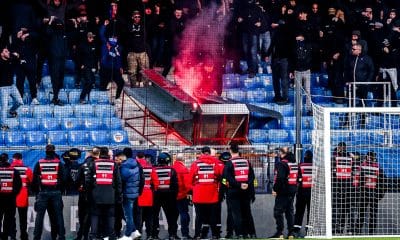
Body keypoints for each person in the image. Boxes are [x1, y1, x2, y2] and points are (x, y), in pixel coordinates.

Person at [32, 144, 66, 240]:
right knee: (58, 216)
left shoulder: (39, 163)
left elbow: (34, 180)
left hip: (43, 193)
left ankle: (36, 237)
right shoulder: (59, 163)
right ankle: (61, 236)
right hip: (56, 192)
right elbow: (64, 179)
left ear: (45, 151)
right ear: (54, 151)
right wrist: (60, 189)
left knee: (39, 217)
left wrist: (37, 193)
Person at [189, 146, 224, 239]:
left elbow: (189, 180)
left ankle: (197, 235)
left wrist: (194, 188)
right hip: (212, 195)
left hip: (198, 195)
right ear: (209, 153)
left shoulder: (195, 164)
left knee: (199, 217)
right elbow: (222, 177)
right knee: (213, 216)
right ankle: (215, 235)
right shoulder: (217, 163)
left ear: (201, 153)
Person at [88, 147, 122, 240]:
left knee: (95, 216)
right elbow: (118, 181)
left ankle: (93, 236)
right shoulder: (113, 164)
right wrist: (119, 196)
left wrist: (89, 193)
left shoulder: (94, 163)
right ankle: (111, 236)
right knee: (110, 216)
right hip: (110, 196)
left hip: (96, 195)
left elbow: (88, 180)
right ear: (107, 154)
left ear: (100, 154)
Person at [223, 144, 256, 238]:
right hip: (246, 191)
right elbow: (252, 176)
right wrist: (247, 184)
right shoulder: (246, 161)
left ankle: (240, 234)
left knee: (236, 213)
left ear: (230, 151)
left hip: (234, 191)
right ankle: (252, 233)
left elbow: (227, 178)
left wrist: (239, 185)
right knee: (247, 213)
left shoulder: (229, 163)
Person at [270, 147, 297, 239]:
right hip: (292, 190)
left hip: (283, 191)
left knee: (278, 212)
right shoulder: (295, 164)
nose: (279, 154)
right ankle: (291, 233)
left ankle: (280, 233)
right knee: (289, 212)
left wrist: (275, 189)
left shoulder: (282, 164)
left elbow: (280, 178)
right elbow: (298, 177)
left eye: (280, 153)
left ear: (283, 154)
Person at [356, 151, 386, 234]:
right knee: (367, 213)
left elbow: (382, 182)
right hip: (369, 193)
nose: (368, 158)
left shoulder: (364, 166)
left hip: (368, 193)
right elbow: (357, 179)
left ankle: (361, 231)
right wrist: (380, 194)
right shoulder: (376, 167)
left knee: (365, 213)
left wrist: (380, 194)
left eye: (369, 156)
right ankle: (368, 232)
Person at [152, 152, 179, 240]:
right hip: (169, 196)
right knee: (171, 216)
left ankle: (154, 235)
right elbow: (175, 185)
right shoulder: (171, 170)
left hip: (156, 196)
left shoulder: (153, 169)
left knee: (154, 216)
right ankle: (172, 234)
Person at [119, 148, 144, 240]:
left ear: (124, 154)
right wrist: (139, 191)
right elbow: (142, 179)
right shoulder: (137, 164)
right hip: (135, 193)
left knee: (127, 215)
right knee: (132, 214)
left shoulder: (124, 165)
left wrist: (120, 192)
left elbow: (121, 180)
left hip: (127, 193)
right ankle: (135, 231)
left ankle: (128, 234)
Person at [75, 147, 100, 240]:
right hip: (95, 195)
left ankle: (81, 235)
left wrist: (80, 187)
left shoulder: (82, 165)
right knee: (93, 216)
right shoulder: (99, 165)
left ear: (89, 154)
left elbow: (76, 180)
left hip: (83, 194)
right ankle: (90, 235)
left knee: (82, 216)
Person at [0, 46, 24, 130]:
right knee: (4, 107)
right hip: (3, 88)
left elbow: (17, 61)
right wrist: (15, 57)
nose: (8, 53)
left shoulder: (10, 59)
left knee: (20, 102)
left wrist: (17, 56)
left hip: (12, 86)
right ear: (1, 54)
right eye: (6, 51)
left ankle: (12, 111)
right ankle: (3, 125)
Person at [136, 151, 159, 239]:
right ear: (144, 158)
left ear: (137, 158)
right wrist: (154, 189)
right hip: (148, 195)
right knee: (149, 217)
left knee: (138, 217)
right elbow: (156, 182)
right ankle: (149, 235)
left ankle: (138, 234)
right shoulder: (150, 168)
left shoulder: (135, 168)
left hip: (138, 195)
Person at [331, 142, 353, 235]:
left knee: (340, 208)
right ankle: (337, 228)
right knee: (340, 208)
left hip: (341, 185)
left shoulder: (336, 157)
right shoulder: (348, 157)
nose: (341, 148)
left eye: (341, 147)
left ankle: (337, 228)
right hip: (343, 185)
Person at [10, 152, 33, 240]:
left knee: (11, 217)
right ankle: (23, 235)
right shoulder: (27, 169)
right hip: (23, 196)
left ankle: (12, 235)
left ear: (13, 159)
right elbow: (32, 181)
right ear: (21, 159)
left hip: (11, 196)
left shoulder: (9, 169)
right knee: (23, 218)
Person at [0, 153, 22, 240]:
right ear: (8, 160)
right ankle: (5, 237)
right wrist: (13, 194)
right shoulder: (14, 170)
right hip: (10, 199)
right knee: (8, 220)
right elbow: (18, 185)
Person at [292, 150, 313, 238]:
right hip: (312, 192)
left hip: (301, 192)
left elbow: (297, 179)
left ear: (304, 157)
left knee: (299, 212)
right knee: (310, 212)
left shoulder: (300, 166)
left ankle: (296, 231)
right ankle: (309, 231)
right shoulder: (315, 166)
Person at [126, 10, 150, 87]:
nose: (137, 18)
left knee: (146, 71)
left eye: (139, 17)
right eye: (135, 17)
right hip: (132, 53)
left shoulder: (144, 26)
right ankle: (133, 88)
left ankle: (146, 88)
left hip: (142, 52)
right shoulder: (128, 26)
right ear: (132, 17)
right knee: (132, 72)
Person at [172, 153, 192, 239]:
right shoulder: (183, 169)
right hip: (182, 196)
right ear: (183, 160)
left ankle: (173, 234)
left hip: (172, 196)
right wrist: (190, 193)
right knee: (184, 214)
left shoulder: (172, 168)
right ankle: (185, 234)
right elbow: (187, 185)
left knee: (173, 216)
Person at [78, 32, 98, 104]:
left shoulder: (94, 45)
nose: (92, 39)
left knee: (92, 82)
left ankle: (86, 96)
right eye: (90, 37)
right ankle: (81, 98)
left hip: (92, 66)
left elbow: (95, 57)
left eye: (92, 37)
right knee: (88, 81)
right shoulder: (82, 45)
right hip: (85, 66)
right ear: (87, 37)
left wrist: (95, 67)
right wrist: (81, 64)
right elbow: (79, 56)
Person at [219, 152, 234, 238]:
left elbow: (223, 181)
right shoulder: (234, 166)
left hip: (229, 192)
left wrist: (221, 194)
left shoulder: (222, 167)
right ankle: (241, 233)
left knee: (230, 213)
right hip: (239, 192)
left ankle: (230, 233)